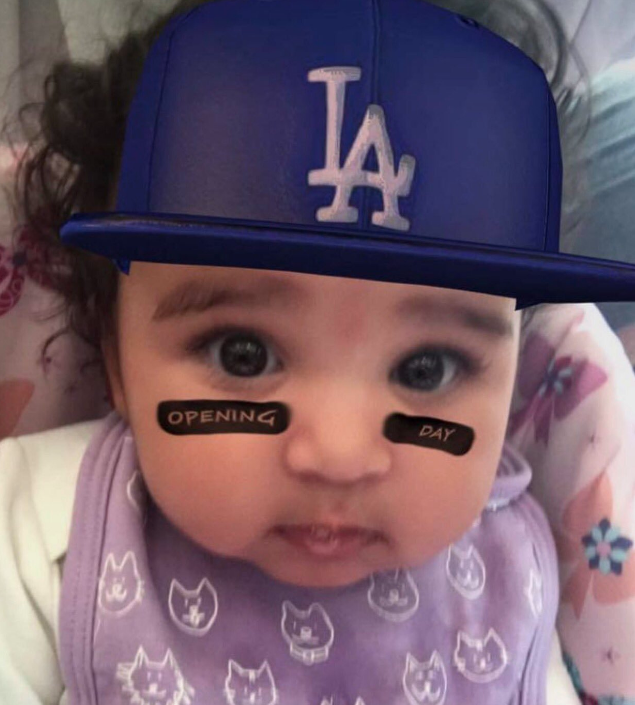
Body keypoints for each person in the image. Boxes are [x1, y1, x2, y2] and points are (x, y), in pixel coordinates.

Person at [2, 0, 633, 702]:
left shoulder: (510, 582)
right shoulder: (36, 530)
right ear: (117, 361)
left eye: (426, 368)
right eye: (243, 353)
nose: (338, 456)